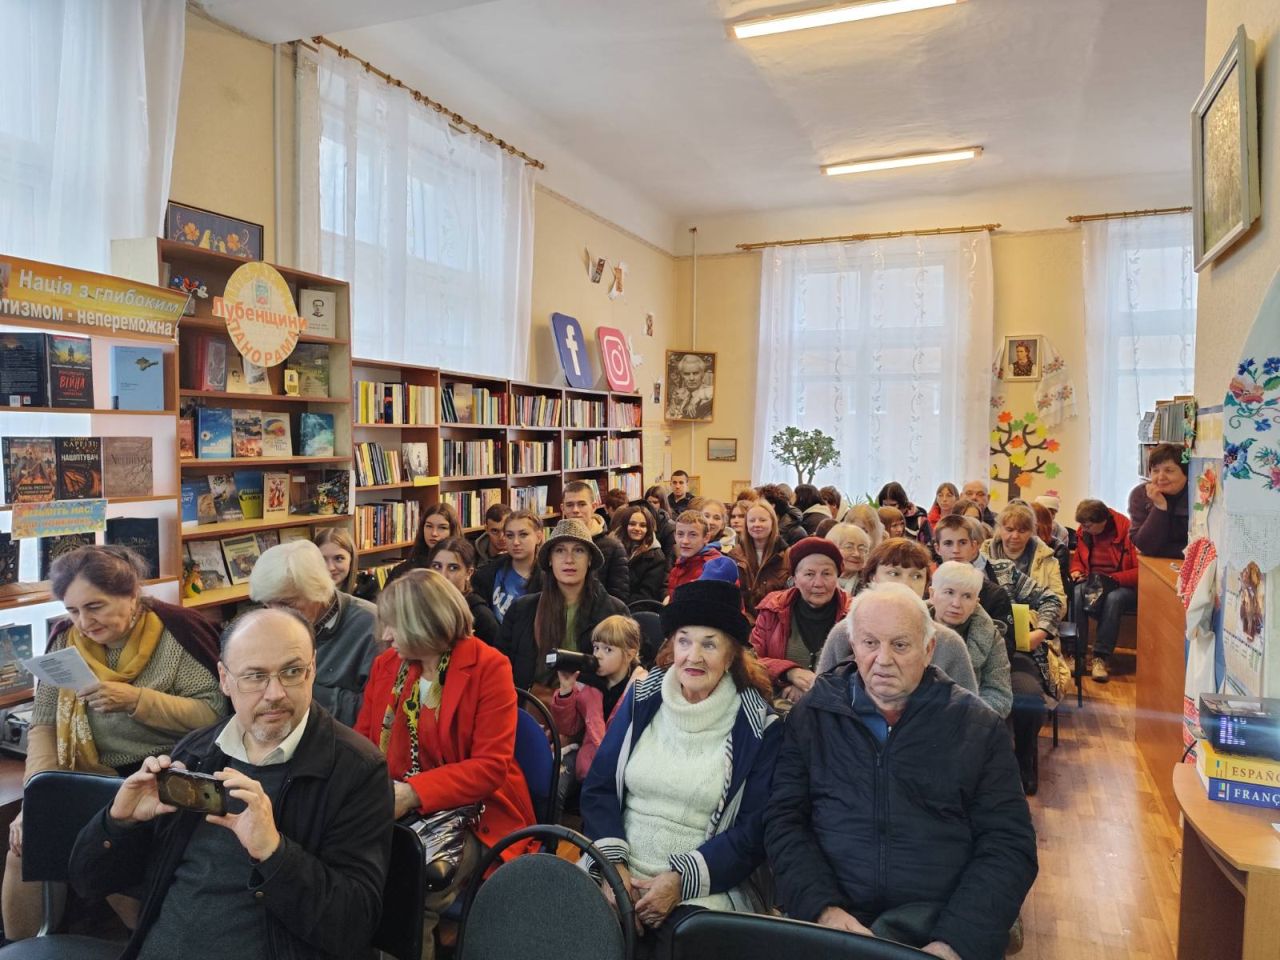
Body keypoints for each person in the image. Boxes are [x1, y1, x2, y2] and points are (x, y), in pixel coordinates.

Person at [70, 607, 394, 960]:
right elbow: (89, 882)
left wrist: (274, 852)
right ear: (224, 679)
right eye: (255, 676)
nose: (275, 693)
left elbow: (352, 926)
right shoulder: (195, 752)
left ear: (312, 669)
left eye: (292, 672)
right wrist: (118, 823)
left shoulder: (355, 769)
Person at [765, 584, 1037, 960]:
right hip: (835, 921)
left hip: (937, 924)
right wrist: (822, 909)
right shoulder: (813, 716)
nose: (883, 659)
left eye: (900, 645)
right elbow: (783, 820)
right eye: (869, 643)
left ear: (929, 649)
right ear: (852, 645)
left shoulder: (977, 726)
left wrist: (955, 941)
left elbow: (1008, 844)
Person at [4, 546, 226, 941]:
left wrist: (137, 701)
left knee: (115, 852)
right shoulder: (66, 640)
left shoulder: (178, 632)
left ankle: (148, 939)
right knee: (26, 842)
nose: (84, 622)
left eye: (95, 606)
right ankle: (21, 947)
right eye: (73, 610)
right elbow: (45, 725)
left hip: (164, 771)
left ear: (133, 595)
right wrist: (37, 796)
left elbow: (213, 714)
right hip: (90, 772)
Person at [580, 580, 781, 956]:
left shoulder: (758, 726)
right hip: (618, 868)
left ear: (732, 654)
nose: (694, 656)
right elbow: (599, 786)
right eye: (684, 641)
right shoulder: (642, 697)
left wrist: (680, 881)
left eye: (710, 644)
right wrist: (613, 868)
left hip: (706, 887)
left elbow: (752, 830)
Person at [356, 570, 535, 957]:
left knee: (407, 891)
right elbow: (364, 744)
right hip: (396, 804)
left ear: (424, 622)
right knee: (347, 867)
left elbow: (490, 767)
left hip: (474, 812)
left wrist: (412, 793)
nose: (385, 635)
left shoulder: (489, 667)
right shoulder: (388, 665)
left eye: (394, 624)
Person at [936, 515, 1062, 794]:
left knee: (1028, 696)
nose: (955, 550)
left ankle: (1023, 761)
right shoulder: (929, 582)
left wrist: (1041, 631)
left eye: (962, 543)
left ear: (976, 545)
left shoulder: (1000, 578)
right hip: (945, 662)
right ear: (937, 548)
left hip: (1003, 656)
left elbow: (1007, 642)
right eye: (948, 543)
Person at [249, 540, 378, 727]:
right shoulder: (265, 623)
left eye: (287, 604)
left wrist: (301, 690)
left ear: (318, 591)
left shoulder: (372, 626)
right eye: (267, 604)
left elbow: (379, 711)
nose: (275, 614)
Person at [816, 551, 979, 697]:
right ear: (873, 577)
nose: (905, 583)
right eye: (894, 573)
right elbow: (820, 698)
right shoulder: (844, 632)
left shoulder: (949, 642)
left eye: (916, 576)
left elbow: (967, 710)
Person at [497, 519, 630, 693]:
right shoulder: (521, 609)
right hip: (531, 703)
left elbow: (623, 675)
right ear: (550, 560)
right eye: (560, 551)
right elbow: (501, 668)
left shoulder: (614, 612)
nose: (569, 559)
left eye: (578, 550)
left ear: (590, 559)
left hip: (594, 705)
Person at [550, 615, 648, 807]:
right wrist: (566, 690)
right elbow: (569, 727)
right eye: (596, 648)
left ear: (630, 654)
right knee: (553, 786)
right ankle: (549, 826)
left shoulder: (641, 688)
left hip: (620, 769)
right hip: (587, 763)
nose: (598, 655)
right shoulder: (587, 684)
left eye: (608, 649)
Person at [750, 538, 850, 703]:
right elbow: (752, 660)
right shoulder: (772, 610)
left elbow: (860, 668)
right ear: (794, 579)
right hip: (781, 704)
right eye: (809, 574)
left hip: (836, 706)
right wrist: (789, 673)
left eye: (826, 573)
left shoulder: (853, 615)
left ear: (837, 577)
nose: (818, 583)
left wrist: (815, 688)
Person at [931, 561, 1012, 717]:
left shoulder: (991, 637)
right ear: (932, 594)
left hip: (967, 719)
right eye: (949, 592)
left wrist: (967, 717)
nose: (956, 604)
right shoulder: (909, 626)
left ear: (976, 603)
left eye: (967, 596)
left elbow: (999, 694)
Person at [1071, 499, 1138, 683]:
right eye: (1083, 525)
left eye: (1088, 526)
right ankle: (1078, 654)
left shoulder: (1128, 532)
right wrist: (1076, 571)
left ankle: (1100, 657)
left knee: (1114, 599)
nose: (1084, 529)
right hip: (1093, 581)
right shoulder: (1084, 531)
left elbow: (1140, 571)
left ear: (1103, 521)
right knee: (1076, 594)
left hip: (1121, 584)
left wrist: (1113, 579)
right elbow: (1078, 559)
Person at [982, 502, 1068, 611]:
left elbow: (1059, 602)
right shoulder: (982, 555)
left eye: (1022, 531)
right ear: (1000, 528)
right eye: (1009, 530)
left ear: (1032, 531)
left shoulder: (1047, 559)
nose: (1015, 536)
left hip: (1034, 619)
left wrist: (1031, 618)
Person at [562, 480, 631, 602]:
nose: (575, 510)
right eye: (569, 505)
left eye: (582, 504)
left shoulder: (613, 547)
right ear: (563, 508)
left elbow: (618, 598)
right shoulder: (555, 546)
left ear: (594, 507)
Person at [427, 537, 501, 648]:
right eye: (437, 566)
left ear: (469, 573)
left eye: (453, 568)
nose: (442, 575)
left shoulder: (480, 615)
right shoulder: (422, 604)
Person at [473, 509, 544, 622]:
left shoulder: (549, 579)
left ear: (539, 537)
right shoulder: (486, 575)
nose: (515, 542)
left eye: (523, 535)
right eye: (510, 535)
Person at [727, 500, 790, 619]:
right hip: (743, 622)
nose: (756, 524)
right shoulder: (734, 555)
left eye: (762, 520)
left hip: (776, 622)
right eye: (752, 520)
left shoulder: (788, 556)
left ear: (773, 523)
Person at [1128, 442, 1190, 558]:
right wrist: (1160, 506)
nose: (1161, 477)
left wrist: (1159, 550)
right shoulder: (1141, 495)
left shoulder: (1197, 496)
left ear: (1186, 474)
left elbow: (1199, 547)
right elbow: (1144, 546)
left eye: (1169, 471)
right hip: (1155, 565)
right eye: (1155, 471)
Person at [388, 503, 462, 583]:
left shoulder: (462, 569)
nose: (434, 533)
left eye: (442, 528)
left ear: (452, 531)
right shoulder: (403, 571)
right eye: (429, 526)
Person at [667, 510, 723, 597]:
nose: (685, 541)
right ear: (675, 536)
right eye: (680, 534)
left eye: (693, 535)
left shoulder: (717, 568)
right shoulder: (677, 568)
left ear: (706, 538)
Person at [825, 522, 871, 595]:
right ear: (832, 549)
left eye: (862, 548)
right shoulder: (819, 579)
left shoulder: (870, 584)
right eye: (849, 547)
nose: (856, 554)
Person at [314, 527, 358, 594]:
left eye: (339, 558)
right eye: (322, 559)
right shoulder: (304, 596)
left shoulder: (366, 596)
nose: (330, 568)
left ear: (351, 559)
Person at [644, 485, 678, 560]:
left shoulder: (669, 526)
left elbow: (669, 557)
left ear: (662, 503)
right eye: (649, 502)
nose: (651, 505)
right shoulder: (642, 520)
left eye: (655, 502)